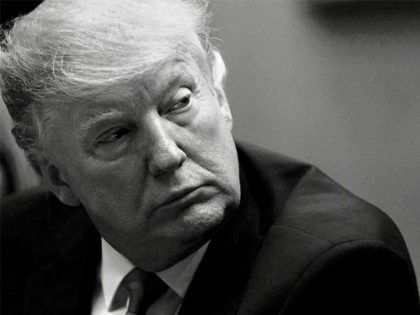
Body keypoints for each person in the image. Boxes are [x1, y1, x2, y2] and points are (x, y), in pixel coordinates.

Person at [1, 1, 419, 314]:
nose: (167, 155)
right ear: (55, 176)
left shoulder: (342, 271)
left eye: (179, 103)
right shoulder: (11, 244)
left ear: (218, 96)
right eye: (116, 134)